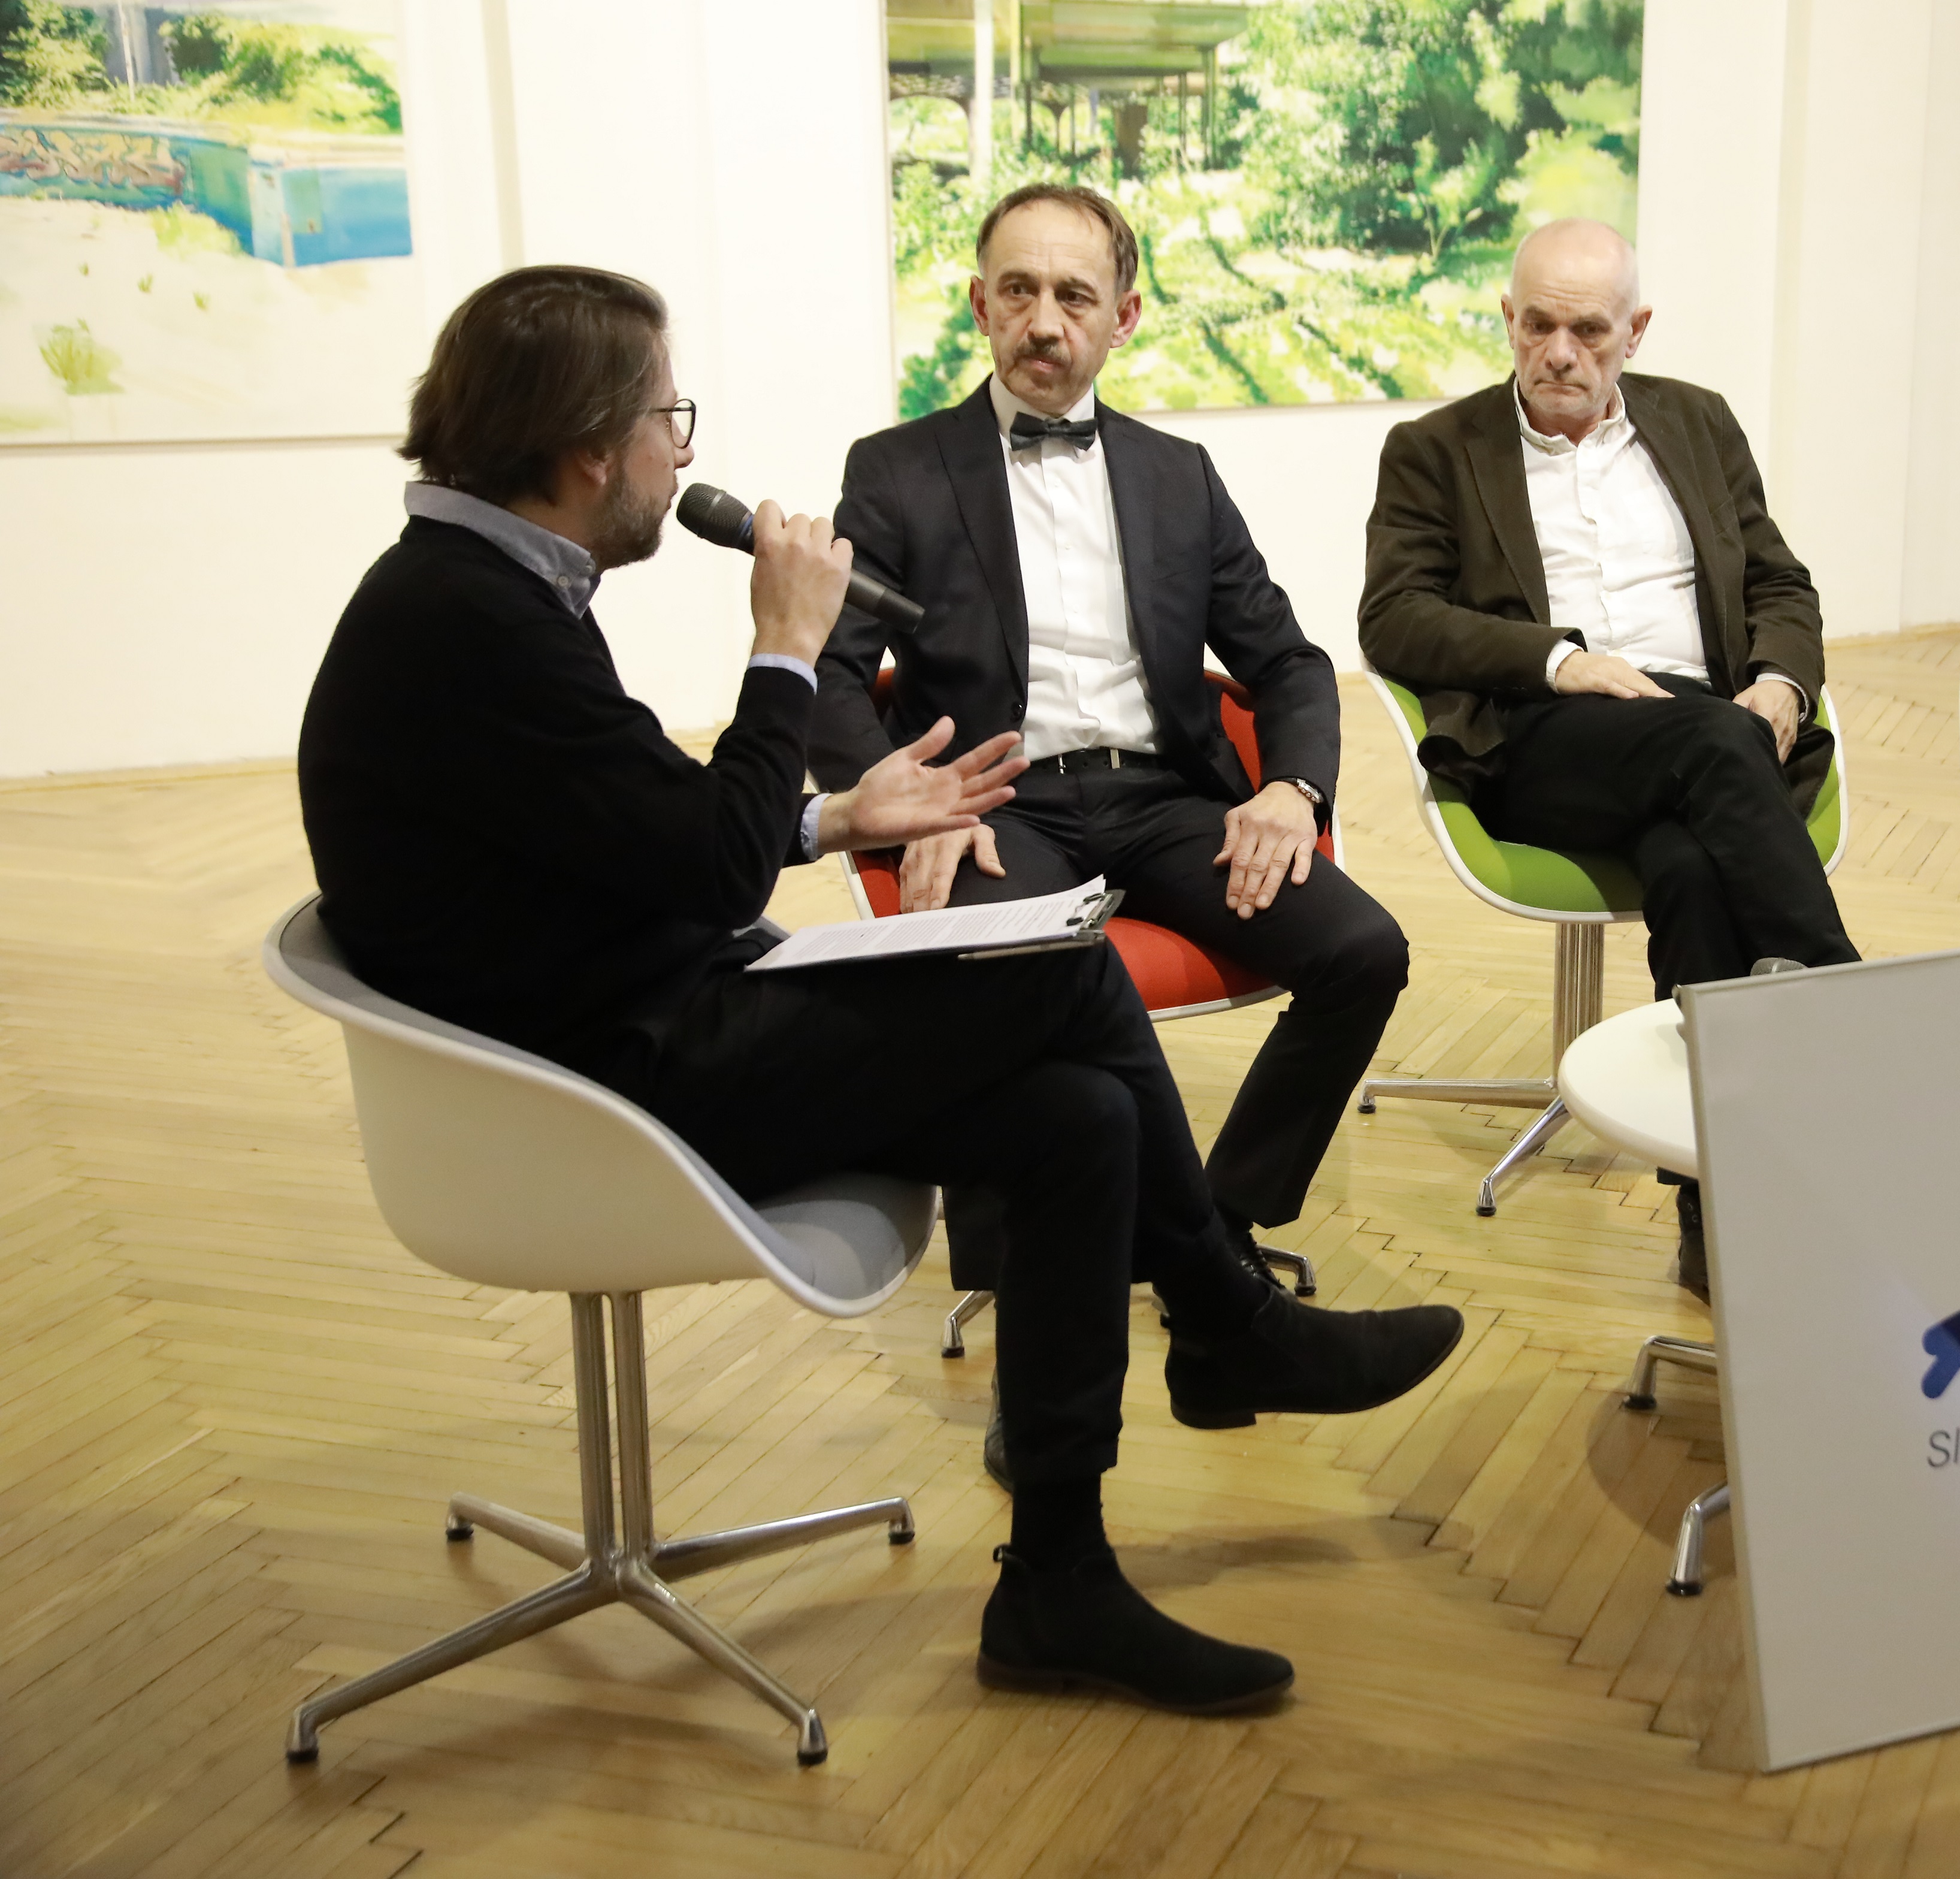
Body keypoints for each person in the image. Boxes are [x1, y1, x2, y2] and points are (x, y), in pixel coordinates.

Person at [297, 265, 1462, 1715]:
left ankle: (1058, 1579)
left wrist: (838, 816)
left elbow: (638, 828)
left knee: (1078, 1119)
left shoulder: (474, 590)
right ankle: (1226, 1317)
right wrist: (784, 649)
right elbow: (709, 865)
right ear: (591, 446)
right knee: (1059, 970)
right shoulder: (470, 621)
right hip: (602, 1095)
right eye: (669, 418)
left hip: (630, 1018)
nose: (682, 452)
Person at [811, 183, 1407, 1296]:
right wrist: (908, 801)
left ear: (1123, 316)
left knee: (1364, 953)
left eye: (1075, 296)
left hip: (1167, 798)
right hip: (995, 803)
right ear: (980, 305)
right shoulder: (896, 470)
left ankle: (1215, 1228)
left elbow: (1288, 660)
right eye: (1019, 292)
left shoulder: (1178, 474)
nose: (1044, 322)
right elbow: (829, 675)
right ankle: (1024, 1291)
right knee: (1003, 977)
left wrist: (1292, 789)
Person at [1357, 218, 1856, 1299]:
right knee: (1716, 747)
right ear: (1508, 319)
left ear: (1636, 331)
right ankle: (1851, 1012)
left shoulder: (1698, 420)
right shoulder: (1436, 448)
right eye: (1537, 324)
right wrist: (1560, 660)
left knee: (1690, 867)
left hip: (1710, 728)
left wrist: (1781, 682)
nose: (1559, 353)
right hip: (1546, 735)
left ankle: (1715, 1222)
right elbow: (1393, 618)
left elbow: (1780, 583)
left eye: (1588, 331)